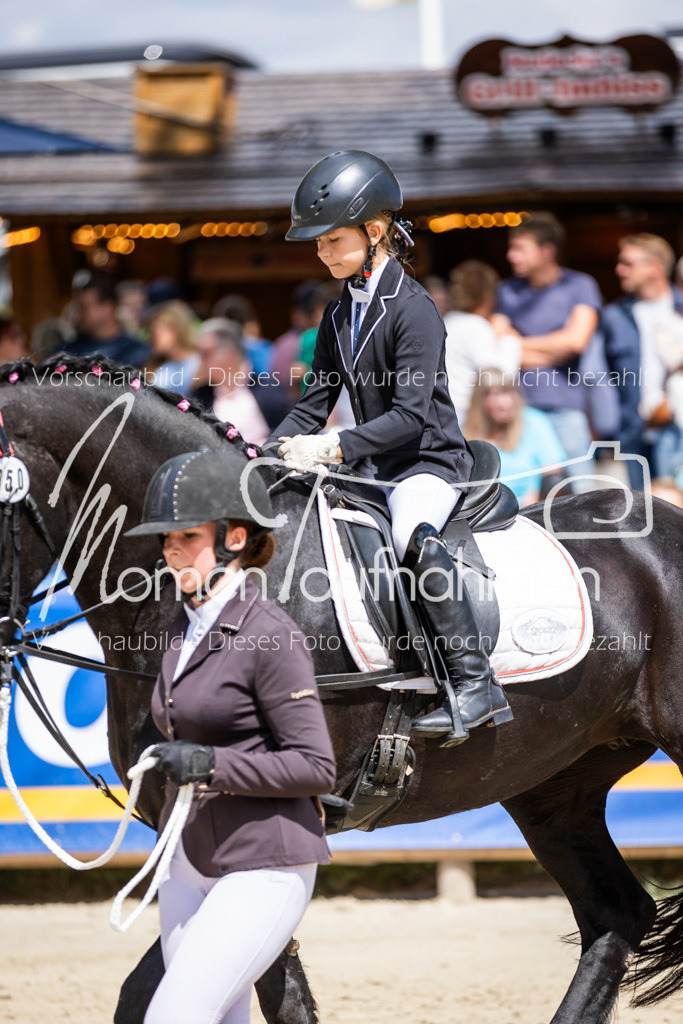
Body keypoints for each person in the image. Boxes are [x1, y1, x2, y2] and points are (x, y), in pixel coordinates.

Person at [269, 149, 512, 746]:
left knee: (410, 537)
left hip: (427, 464)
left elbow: (409, 417)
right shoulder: (338, 313)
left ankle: (474, 683)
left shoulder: (415, 308)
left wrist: (333, 449)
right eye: (317, 243)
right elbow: (311, 404)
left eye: (331, 240)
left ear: (374, 231)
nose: (321, 252)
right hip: (375, 466)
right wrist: (262, 452)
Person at [125, 447, 336, 1024]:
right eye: (165, 537)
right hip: (188, 863)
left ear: (234, 539)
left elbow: (317, 767)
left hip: (264, 863)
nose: (169, 549)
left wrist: (209, 764)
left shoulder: (272, 635)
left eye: (185, 535)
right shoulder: (180, 627)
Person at [497, 212, 601, 491]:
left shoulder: (580, 286)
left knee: (584, 496)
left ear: (547, 251)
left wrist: (518, 345)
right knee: (523, 498)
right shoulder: (505, 291)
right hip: (519, 410)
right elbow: (498, 343)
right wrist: (556, 346)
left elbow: (577, 341)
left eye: (520, 248)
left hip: (565, 407)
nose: (511, 256)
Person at [602, 233, 683, 488]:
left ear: (654, 267)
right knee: (645, 516)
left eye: (628, 263)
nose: (620, 270)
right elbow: (604, 376)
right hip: (635, 432)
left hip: (678, 427)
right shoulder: (614, 316)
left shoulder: (680, 309)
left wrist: (670, 403)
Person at [465, 368, 568, 506]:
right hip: (481, 511)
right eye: (494, 395)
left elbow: (553, 472)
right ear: (479, 400)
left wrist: (535, 503)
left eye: (507, 392)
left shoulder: (534, 421)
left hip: (530, 509)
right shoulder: (463, 433)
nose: (504, 403)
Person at [444, 260, 521, 423]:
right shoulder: (475, 326)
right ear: (489, 295)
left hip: (448, 413)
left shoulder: (447, 321)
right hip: (465, 417)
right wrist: (509, 337)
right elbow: (500, 376)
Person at [192, 318, 288, 442]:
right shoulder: (201, 397)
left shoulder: (271, 391)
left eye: (206, 354)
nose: (200, 362)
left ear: (229, 352)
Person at [62, 276, 149, 367]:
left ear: (107, 308)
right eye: (79, 308)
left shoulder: (135, 351)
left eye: (85, 307)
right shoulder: (68, 351)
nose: (79, 314)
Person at [146, 300, 200, 394]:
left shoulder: (201, 364)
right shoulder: (157, 367)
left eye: (155, 333)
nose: (151, 339)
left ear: (173, 331)